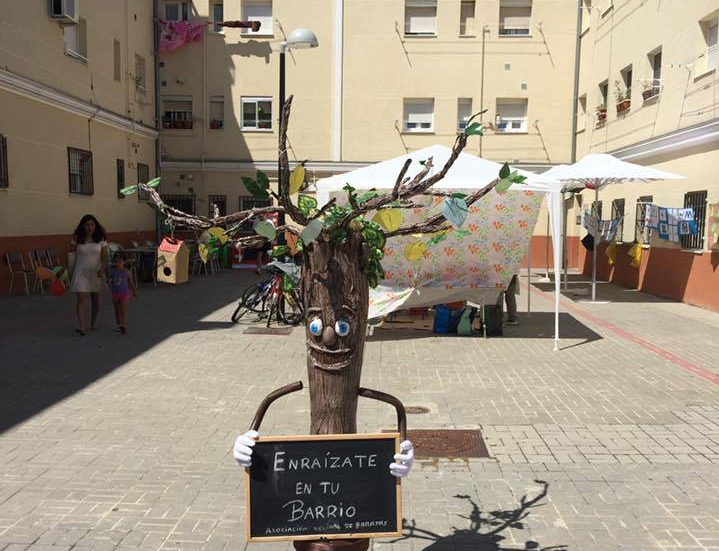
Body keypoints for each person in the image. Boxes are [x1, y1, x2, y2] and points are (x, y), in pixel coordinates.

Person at [69, 214, 108, 335]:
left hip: (96, 271)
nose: (90, 227)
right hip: (80, 271)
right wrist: (68, 271)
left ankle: (93, 321)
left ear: (95, 226)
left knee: (95, 299)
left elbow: (105, 256)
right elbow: (71, 255)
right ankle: (82, 326)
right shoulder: (76, 238)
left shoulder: (101, 238)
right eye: (87, 225)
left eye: (92, 225)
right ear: (83, 226)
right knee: (81, 297)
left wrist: (103, 269)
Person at [110, 251, 137, 334]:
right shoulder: (112, 271)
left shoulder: (127, 271)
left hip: (124, 293)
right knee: (116, 310)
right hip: (115, 294)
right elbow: (109, 280)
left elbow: (131, 282)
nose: (118, 263)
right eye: (116, 261)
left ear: (124, 262)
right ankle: (119, 325)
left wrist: (134, 291)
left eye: (120, 261)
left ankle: (123, 324)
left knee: (123, 309)